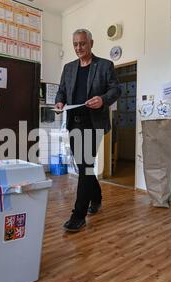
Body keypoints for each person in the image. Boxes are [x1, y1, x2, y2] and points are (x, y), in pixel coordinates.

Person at [55, 29, 121, 232]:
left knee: (85, 166)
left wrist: (103, 99)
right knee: (85, 165)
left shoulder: (104, 65)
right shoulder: (68, 68)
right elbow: (62, 90)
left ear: (91, 43)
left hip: (94, 123)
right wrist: (59, 101)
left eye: (82, 44)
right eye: (75, 44)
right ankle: (97, 197)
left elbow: (115, 89)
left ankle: (78, 215)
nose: (78, 48)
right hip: (74, 122)